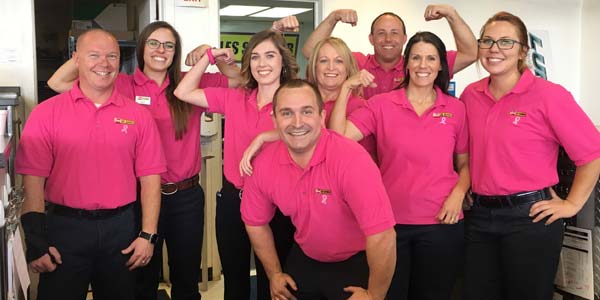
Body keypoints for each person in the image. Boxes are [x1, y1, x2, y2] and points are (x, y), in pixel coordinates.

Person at [47, 21, 239, 300]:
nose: (161, 50)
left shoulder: (190, 83)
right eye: (154, 43)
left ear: (176, 52)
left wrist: (212, 54)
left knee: (186, 277)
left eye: (169, 45)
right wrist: (89, 55)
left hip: (185, 197)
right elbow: (57, 83)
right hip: (138, 198)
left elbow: (238, 81)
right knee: (140, 278)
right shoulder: (119, 84)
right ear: (141, 49)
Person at [17, 29, 166, 300]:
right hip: (64, 229)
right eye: (94, 55)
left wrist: (148, 235)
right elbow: (33, 181)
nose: (104, 63)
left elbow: (150, 179)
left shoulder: (138, 116)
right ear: (76, 60)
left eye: (112, 56)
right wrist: (36, 240)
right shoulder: (46, 114)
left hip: (121, 230)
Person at [460, 12, 600, 300]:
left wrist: (572, 204)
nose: (494, 48)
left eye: (506, 42)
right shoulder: (470, 95)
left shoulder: (549, 95)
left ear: (523, 50)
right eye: (487, 41)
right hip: (479, 216)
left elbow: (592, 155)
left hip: (529, 219)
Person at [329, 31, 470, 300]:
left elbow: (466, 163)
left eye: (431, 58)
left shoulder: (455, 109)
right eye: (416, 57)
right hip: (391, 225)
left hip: (442, 222)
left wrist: (458, 194)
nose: (422, 65)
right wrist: (346, 88)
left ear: (441, 64)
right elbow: (338, 139)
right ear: (406, 63)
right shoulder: (381, 104)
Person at [174, 22, 299, 300]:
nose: (262, 63)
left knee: (276, 283)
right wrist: (209, 56)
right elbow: (182, 92)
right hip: (234, 200)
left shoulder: (294, 100)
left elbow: (311, 132)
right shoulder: (235, 97)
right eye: (255, 57)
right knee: (235, 282)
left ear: (283, 61)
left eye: (270, 56)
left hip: (279, 203)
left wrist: (265, 136)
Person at [241, 79, 396, 300]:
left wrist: (375, 295)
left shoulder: (351, 160)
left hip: (356, 260)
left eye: (306, 112)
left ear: (322, 117)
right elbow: (255, 222)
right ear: (274, 119)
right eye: (286, 113)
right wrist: (274, 274)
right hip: (306, 255)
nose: (297, 122)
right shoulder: (265, 163)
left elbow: (383, 235)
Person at [302, 4, 478, 99]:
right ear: (371, 38)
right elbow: (311, 51)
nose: (388, 39)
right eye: (381, 33)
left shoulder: (419, 66)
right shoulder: (357, 63)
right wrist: (333, 18)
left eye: (394, 33)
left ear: (404, 38)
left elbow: (470, 53)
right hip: (363, 148)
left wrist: (452, 15)